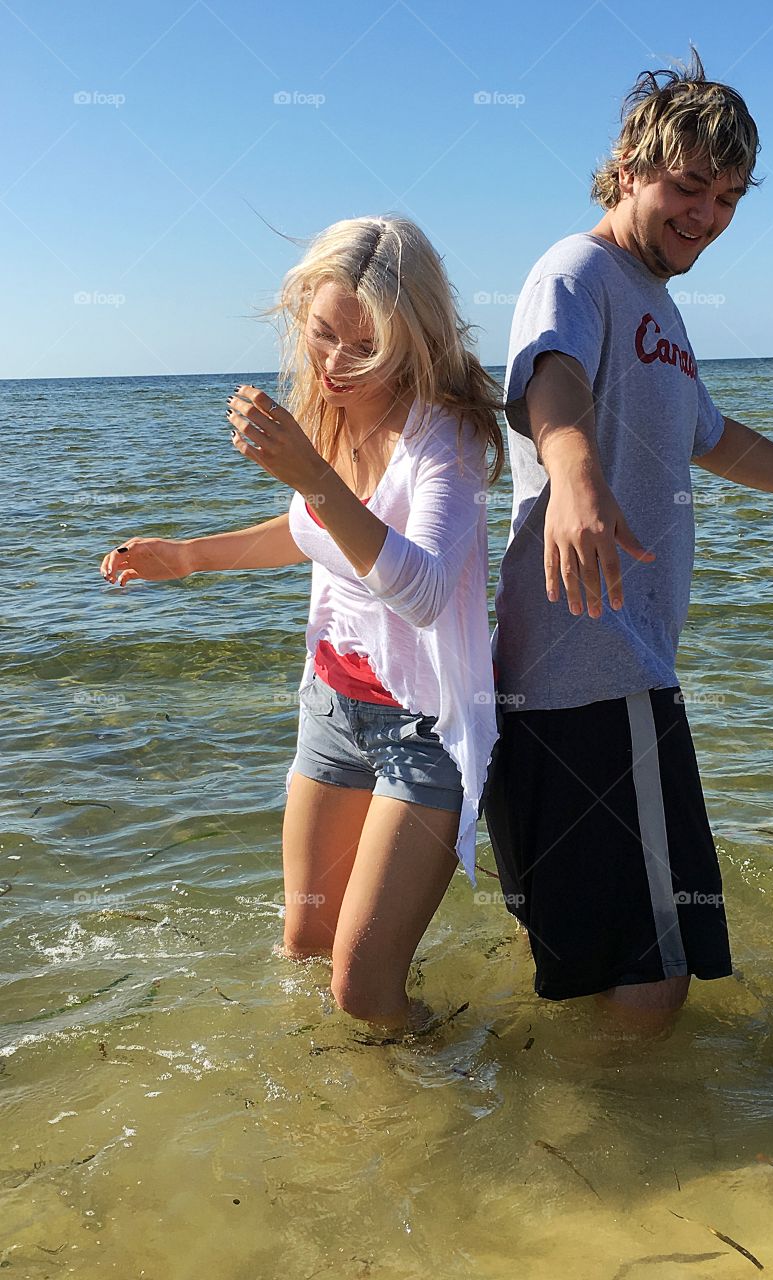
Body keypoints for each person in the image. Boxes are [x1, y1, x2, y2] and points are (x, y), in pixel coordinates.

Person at [483, 52, 773, 1034]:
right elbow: (547, 375)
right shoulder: (578, 270)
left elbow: (712, 435)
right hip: (595, 667)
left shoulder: (660, 308)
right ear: (631, 164)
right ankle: (637, 1169)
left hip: (593, 674)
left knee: (589, 958)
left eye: (725, 198)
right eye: (687, 187)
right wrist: (575, 475)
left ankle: (545, 1147)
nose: (706, 215)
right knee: (656, 966)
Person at [100, 215, 504, 1031]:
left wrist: (313, 476)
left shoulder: (446, 437)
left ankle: (461, 1090)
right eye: (323, 336)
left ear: (412, 335)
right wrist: (187, 557)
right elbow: (313, 533)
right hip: (331, 712)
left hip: (422, 732)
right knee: (305, 943)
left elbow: (421, 588)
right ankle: (348, 1131)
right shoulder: (328, 412)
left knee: (363, 991)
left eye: (366, 347)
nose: (336, 364)